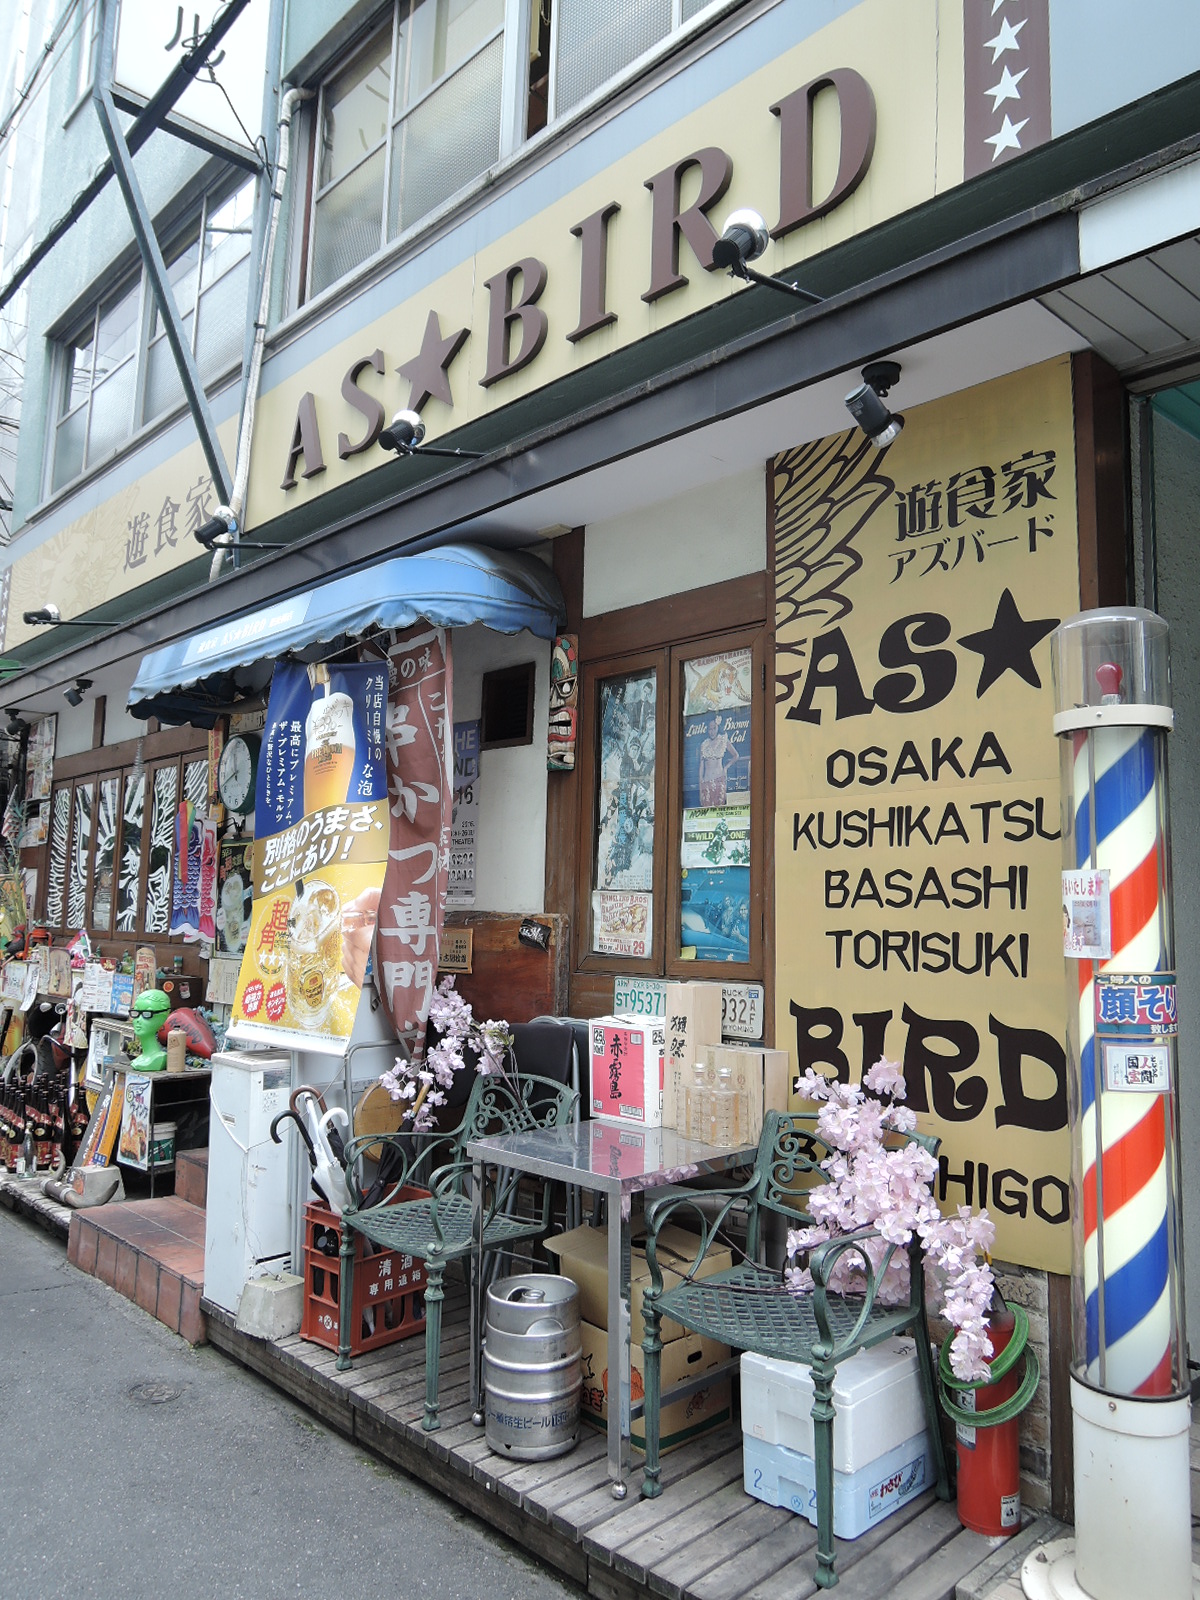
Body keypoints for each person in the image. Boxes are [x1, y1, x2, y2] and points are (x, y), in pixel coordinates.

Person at [698, 714, 737, 807]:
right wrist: (700, 787)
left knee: (719, 809)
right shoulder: (704, 744)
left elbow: (736, 755)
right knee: (707, 809)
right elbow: (701, 767)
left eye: (714, 728)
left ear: (718, 727)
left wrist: (726, 768)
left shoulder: (723, 740)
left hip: (719, 780)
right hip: (706, 781)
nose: (712, 732)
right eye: (710, 729)